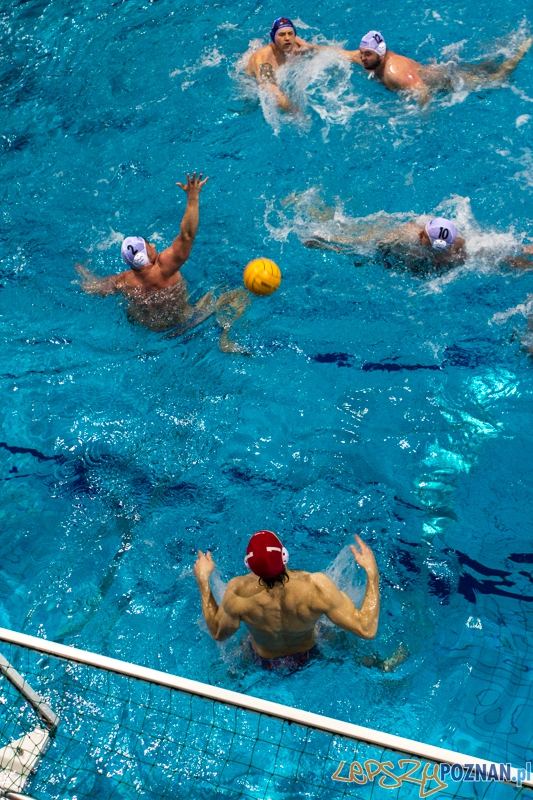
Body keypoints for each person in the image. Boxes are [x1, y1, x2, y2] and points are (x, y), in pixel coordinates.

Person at [77, 173, 249, 352]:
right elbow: (187, 235)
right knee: (237, 294)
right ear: (146, 255)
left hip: (156, 333)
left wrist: (82, 270)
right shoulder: (164, 268)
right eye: (148, 245)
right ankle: (225, 339)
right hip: (186, 324)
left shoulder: (123, 281)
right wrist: (192, 197)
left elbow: (92, 288)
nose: (152, 244)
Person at [193, 530, 380, 670]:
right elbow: (366, 628)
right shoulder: (316, 587)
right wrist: (372, 573)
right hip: (309, 656)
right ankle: (381, 667)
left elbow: (219, 633)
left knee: (234, 661)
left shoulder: (238, 593)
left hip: (264, 662)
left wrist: (203, 581)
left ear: (249, 566)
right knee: (341, 639)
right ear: (284, 556)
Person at [345, 30, 533, 104]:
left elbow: (423, 91)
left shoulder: (395, 71)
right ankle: (506, 49)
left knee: (497, 78)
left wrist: (424, 119)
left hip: (449, 81)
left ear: (382, 53)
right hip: (440, 72)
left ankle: (523, 48)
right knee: (483, 68)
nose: (363, 58)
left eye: (368, 54)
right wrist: (314, 49)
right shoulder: (366, 57)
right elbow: (339, 53)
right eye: (362, 53)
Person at [305, 215, 467, 274]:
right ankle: (327, 243)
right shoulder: (454, 244)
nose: (420, 232)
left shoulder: (408, 239)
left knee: (358, 252)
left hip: (390, 256)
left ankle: (324, 244)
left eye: (424, 234)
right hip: (388, 249)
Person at [245, 17, 323, 112]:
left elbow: (331, 52)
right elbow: (272, 90)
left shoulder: (298, 47)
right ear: (273, 37)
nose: (287, 38)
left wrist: (310, 48)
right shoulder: (264, 60)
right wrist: (295, 113)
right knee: (252, 106)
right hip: (250, 82)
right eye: (281, 35)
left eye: (290, 34)